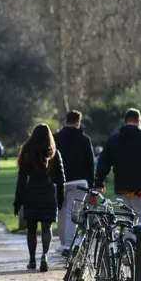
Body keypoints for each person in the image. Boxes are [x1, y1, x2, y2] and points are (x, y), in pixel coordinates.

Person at [94, 108, 141, 231]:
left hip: (123, 189)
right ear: (139, 121)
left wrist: (99, 182)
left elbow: (103, 163)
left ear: (125, 121)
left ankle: (127, 245)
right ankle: (135, 239)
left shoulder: (114, 140)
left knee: (126, 219)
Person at [13, 124, 65, 272]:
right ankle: (45, 255)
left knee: (31, 229)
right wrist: (60, 198)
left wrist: (18, 201)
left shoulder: (27, 152)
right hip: (48, 192)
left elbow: (21, 179)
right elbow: (61, 179)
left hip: (32, 193)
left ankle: (31, 260)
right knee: (46, 227)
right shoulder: (54, 153)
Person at [53, 110, 94, 256]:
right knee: (73, 213)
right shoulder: (84, 139)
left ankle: (64, 242)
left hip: (58, 180)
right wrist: (92, 182)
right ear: (78, 123)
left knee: (61, 212)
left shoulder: (55, 138)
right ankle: (69, 244)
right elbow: (90, 163)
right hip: (79, 180)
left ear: (65, 121)